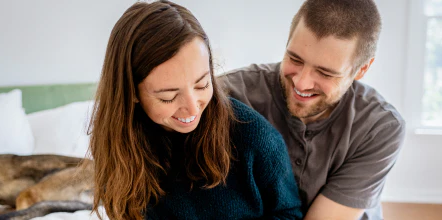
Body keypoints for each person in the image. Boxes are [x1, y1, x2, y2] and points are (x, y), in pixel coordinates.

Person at [88, 1, 302, 220]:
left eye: (202, 85)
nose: (193, 107)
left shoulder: (256, 140)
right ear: (131, 93)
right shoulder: (117, 146)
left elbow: (289, 215)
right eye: (168, 97)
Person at [220, 0, 406, 219]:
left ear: (361, 69)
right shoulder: (227, 95)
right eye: (295, 59)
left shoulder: (380, 127)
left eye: (325, 73)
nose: (301, 83)